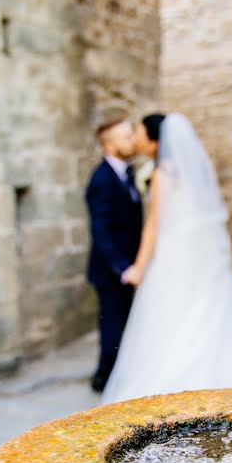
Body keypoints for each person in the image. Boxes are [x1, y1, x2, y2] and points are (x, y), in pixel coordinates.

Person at [101, 113, 232, 404]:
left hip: (172, 258)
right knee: (211, 311)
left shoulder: (161, 173)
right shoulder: (184, 171)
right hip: (193, 256)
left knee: (171, 319)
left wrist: (140, 266)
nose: (135, 138)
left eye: (139, 132)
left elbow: (154, 223)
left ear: (154, 139)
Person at [85, 118, 142, 393]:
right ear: (109, 144)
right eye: (125, 137)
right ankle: (103, 381)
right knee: (112, 330)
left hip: (130, 266)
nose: (131, 142)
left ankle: (118, 374)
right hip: (110, 272)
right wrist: (121, 268)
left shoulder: (127, 173)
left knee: (126, 326)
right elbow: (101, 230)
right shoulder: (102, 179)